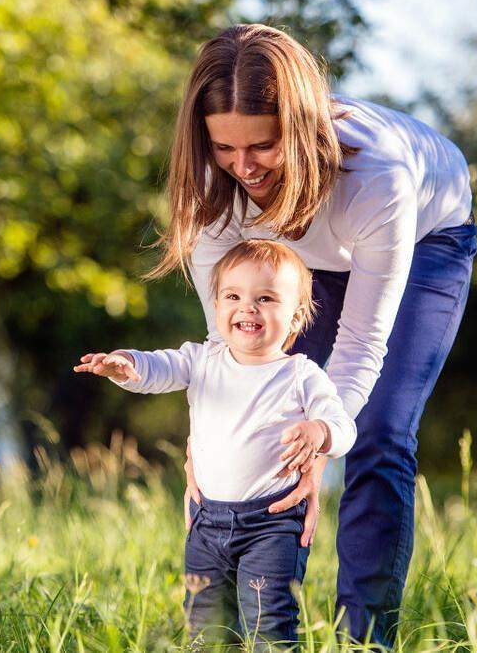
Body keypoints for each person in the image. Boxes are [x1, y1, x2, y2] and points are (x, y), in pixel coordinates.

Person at [147, 23, 477, 647]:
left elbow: (360, 348)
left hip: (425, 242)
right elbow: (231, 352)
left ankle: (365, 637)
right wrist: (208, 437)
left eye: (263, 145)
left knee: (378, 433)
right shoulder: (217, 188)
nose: (244, 166)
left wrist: (325, 437)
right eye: (224, 147)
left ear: (298, 130)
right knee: (264, 427)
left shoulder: (378, 177)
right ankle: (252, 628)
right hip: (299, 252)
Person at [75, 240, 357, 647]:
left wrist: (320, 431)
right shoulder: (202, 360)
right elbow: (159, 367)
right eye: (233, 296)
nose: (248, 308)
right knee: (206, 625)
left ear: (296, 316)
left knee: (268, 620)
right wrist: (127, 364)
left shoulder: (302, 375)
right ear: (217, 305)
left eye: (265, 298)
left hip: (273, 523)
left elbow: (343, 426)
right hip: (206, 522)